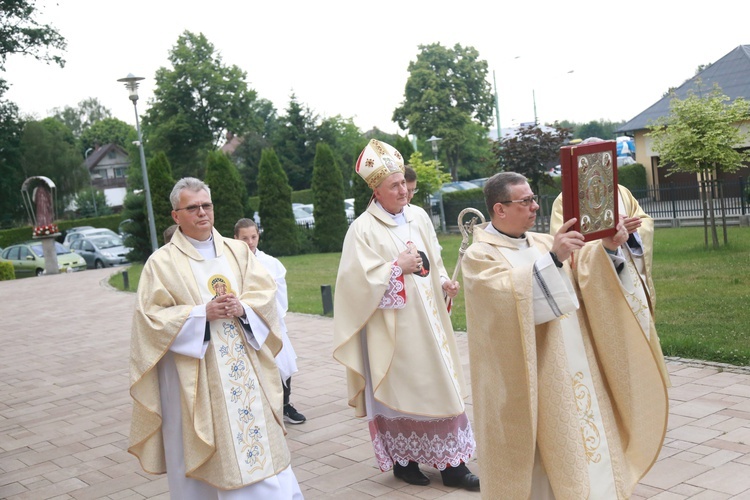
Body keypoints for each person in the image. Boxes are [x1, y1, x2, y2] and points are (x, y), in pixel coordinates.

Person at [461, 172, 669, 499]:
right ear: (500, 209)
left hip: (576, 364)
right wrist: (553, 260)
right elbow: (501, 304)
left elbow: (585, 277)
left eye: (533, 198)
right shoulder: (480, 256)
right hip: (534, 378)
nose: (534, 206)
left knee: (589, 447)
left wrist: (608, 248)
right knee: (549, 459)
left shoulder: (544, 241)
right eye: (525, 201)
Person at [128, 177, 303, 499]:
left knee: (257, 444)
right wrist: (199, 314)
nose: (201, 213)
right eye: (192, 207)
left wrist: (244, 307)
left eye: (206, 205)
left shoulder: (238, 251)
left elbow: (265, 295)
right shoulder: (162, 263)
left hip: (246, 374)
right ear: (175, 215)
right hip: (196, 379)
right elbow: (150, 319)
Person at [333, 139, 477, 490]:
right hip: (393, 331)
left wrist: (444, 281)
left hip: (429, 325)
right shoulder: (363, 229)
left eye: (404, 184)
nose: (403, 191)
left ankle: (453, 466)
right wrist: (395, 268)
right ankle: (404, 460)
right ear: (376, 191)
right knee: (401, 393)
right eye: (394, 186)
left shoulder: (419, 216)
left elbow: (435, 259)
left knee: (442, 386)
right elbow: (353, 283)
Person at [550, 137, 670, 385]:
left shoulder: (621, 191)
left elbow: (644, 220)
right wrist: (606, 243)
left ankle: (645, 380)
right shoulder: (566, 199)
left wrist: (630, 232)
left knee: (637, 335)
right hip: (598, 279)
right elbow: (566, 243)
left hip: (629, 272)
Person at [234, 217, 307, 425]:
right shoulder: (230, 264)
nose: (250, 242)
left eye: (253, 237)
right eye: (244, 238)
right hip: (244, 322)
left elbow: (278, 291)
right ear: (235, 238)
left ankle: (285, 405)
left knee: (282, 360)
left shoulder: (270, 263)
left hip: (269, 320)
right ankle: (258, 410)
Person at [404, 165, 460, 306]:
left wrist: (443, 281)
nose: (410, 195)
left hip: (428, 292)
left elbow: (434, 255)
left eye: (413, 190)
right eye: (407, 190)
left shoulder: (420, 215)